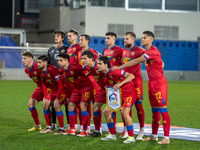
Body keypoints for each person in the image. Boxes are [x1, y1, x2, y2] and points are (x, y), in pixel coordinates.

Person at [112, 31, 171, 144]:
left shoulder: (152, 51)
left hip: (159, 83)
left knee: (163, 109)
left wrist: (120, 67)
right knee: (154, 110)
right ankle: (154, 135)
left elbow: (136, 61)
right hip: (151, 83)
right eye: (142, 37)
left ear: (151, 39)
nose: (142, 39)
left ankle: (166, 137)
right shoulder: (147, 51)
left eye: (145, 38)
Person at [97, 56, 137, 143]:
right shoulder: (104, 74)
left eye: (100, 64)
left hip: (130, 93)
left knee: (124, 112)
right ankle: (112, 135)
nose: (98, 66)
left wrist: (120, 84)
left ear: (106, 65)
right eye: (98, 63)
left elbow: (131, 76)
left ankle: (131, 137)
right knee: (106, 112)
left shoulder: (115, 71)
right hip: (119, 94)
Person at [58, 53, 93, 137]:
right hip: (77, 89)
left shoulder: (76, 67)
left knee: (83, 106)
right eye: (58, 60)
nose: (58, 62)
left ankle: (85, 131)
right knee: (70, 106)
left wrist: (89, 74)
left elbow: (90, 68)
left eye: (61, 60)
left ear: (67, 61)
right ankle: (72, 130)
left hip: (86, 87)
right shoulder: (63, 70)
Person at [37, 55, 73, 134]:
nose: (38, 64)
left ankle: (61, 128)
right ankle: (49, 127)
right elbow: (43, 84)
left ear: (45, 63)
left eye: (39, 62)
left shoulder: (52, 70)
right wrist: (45, 97)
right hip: (55, 89)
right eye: (37, 62)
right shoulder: (40, 70)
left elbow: (60, 84)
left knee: (56, 105)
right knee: (45, 104)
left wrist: (57, 98)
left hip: (63, 89)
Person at [120, 32, 145, 140]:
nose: (125, 40)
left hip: (136, 81)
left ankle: (141, 130)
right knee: (125, 105)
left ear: (133, 40)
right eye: (124, 38)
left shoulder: (140, 51)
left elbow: (152, 56)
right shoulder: (124, 51)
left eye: (127, 39)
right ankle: (126, 129)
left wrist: (161, 62)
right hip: (126, 81)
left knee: (138, 105)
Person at [81, 50, 109, 137]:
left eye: (85, 59)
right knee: (95, 108)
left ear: (91, 59)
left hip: (110, 89)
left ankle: (113, 130)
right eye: (82, 59)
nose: (83, 61)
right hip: (102, 90)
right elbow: (91, 71)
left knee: (111, 110)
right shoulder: (89, 67)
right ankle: (97, 131)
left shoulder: (100, 67)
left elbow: (110, 72)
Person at [77, 34, 100, 134]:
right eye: (79, 39)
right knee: (84, 104)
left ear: (87, 41)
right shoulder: (78, 53)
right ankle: (84, 126)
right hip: (82, 81)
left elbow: (98, 66)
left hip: (92, 81)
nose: (79, 41)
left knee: (95, 104)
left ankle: (94, 128)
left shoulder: (94, 53)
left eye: (81, 40)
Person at [48, 30, 69, 130]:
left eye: (58, 36)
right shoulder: (50, 50)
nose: (56, 37)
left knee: (68, 102)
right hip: (54, 80)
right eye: (55, 36)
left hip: (64, 78)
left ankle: (69, 125)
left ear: (62, 38)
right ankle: (53, 124)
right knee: (53, 102)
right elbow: (48, 64)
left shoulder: (66, 49)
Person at [103, 32, 123, 132]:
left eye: (108, 38)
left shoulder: (119, 50)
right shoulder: (105, 50)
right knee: (112, 104)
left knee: (124, 109)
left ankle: (126, 130)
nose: (106, 40)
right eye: (105, 38)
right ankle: (113, 128)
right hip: (109, 81)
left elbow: (127, 60)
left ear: (113, 39)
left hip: (118, 81)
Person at [22, 52, 43, 131]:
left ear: (31, 59)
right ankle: (37, 125)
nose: (23, 60)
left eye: (25, 58)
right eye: (22, 58)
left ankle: (51, 126)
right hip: (39, 88)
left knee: (48, 105)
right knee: (30, 105)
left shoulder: (38, 67)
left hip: (48, 87)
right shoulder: (26, 70)